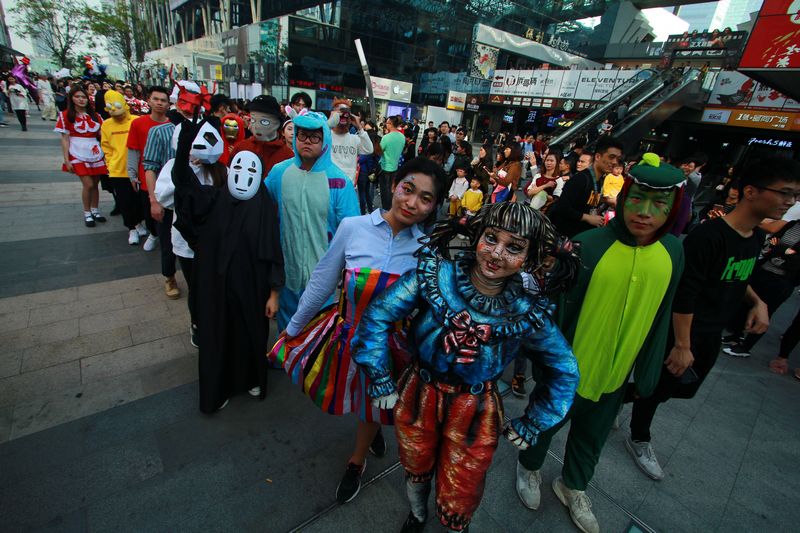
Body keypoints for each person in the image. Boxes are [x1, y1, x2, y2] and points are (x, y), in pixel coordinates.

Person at [352, 202, 580, 533]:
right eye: (491, 238)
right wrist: (379, 373)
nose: (497, 253)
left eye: (514, 247)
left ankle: (456, 526)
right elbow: (379, 314)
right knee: (414, 460)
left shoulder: (526, 313)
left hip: (476, 408)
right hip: (419, 392)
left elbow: (564, 368)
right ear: (476, 236)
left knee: (464, 480)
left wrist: (535, 420)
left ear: (529, 258)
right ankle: (417, 514)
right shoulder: (435, 276)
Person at [515, 154, 687, 533]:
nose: (645, 213)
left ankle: (573, 485)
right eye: (637, 199)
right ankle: (528, 467)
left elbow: (662, 314)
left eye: (659, 204)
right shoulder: (586, 245)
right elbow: (555, 310)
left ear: (673, 208)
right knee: (544, 424)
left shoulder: (673, 252)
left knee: (592, 437)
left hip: (616, 372)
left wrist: (647, 370)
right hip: (569, 369)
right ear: (624, 197)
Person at [271, 157, 445, 504]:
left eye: (425, 198)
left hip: (390, 349)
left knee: (372, 406)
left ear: (434, 207)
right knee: (351, 395)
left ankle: (357, 460)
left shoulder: (426, 252)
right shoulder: (353, 227)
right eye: (408, 189)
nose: (412, 203)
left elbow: (431, 308)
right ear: (394, 185)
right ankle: (372, 429)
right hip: (343, 336)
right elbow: (322, 282)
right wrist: (292, 329)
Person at [625, 155, 800, 481]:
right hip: (684, 330)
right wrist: (681, 344)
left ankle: (620, 398)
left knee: (680, 389)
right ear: (751, 191)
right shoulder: (708, 237)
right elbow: (685, 292)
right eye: (785, 193)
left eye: (795, 195)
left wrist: (757, 302)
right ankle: (638, 436)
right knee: (659, 388)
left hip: (711, 333)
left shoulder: (755, 237)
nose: (790, 202)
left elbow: (737, 275)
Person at [172, 118, 284, 412]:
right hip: (215, 288)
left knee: (249, 334)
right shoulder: (213, 200)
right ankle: (218, 387)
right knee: (217, 335)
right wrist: (184, 146)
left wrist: (274, 293)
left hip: (251, 290)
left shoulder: (264, 205)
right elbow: (185, 186)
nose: (244, 175)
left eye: (252, 170)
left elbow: (273, 249)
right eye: (239, 168)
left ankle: (250, 378)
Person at [265, 111, 360, 331]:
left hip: (322, 280)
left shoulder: (339, 182)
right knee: (287, 331)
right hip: (287, 272)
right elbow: (260, 207)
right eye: (302, 135)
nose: (307, 141)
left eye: (314, 136)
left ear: (325, 139)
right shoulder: (280, 173)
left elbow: (353, 234)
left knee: (317, 334)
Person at [155, 118, 227, 348]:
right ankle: (197, 324)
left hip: (216, 242)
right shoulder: (173, 166)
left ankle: (216, 322)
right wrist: (186, 173)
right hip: (186, 244)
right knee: (196, 288)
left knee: (215, 287)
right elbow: (164, 198)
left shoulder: (220, 170)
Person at [143, 81, 213, 299]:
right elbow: (151, 168)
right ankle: (170, 277)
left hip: (201, 210)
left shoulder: (204, 129)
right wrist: (154, 200)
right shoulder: (161, 133)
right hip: (172, 201)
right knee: (170, 244)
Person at [723, 217, 800, 358]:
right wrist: (784, 251)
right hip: (763, 270)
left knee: (766, 311)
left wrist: (779, 248)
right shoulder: (792, 225)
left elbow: (795, 260)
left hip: (783, 281)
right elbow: (770, 243)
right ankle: (736, 336)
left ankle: (746, 346)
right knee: (746, 304)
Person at [549, 136, 624, 237]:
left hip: (581, 235)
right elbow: (562, 207)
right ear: (598, 157)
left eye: (618, 159)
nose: (615, 162)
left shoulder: (600, 180)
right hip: (566, 237)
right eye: (611, 157)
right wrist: (587, 218)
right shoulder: (581, 179)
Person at [55, 84, 108, 227]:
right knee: (88, 184)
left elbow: (103, 135)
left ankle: (95, 210)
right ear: (71, 98)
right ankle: (87, 212)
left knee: (95, 184)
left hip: (94, 150)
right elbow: (65, 139)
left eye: (83, 97)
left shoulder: (95, 116)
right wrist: (67, 160)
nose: (81, 99)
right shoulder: (65, 115)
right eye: (77, 97)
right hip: (76, 151)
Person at [127, 86, 171, 250]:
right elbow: (133, 150)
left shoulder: (173, 124)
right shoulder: (138, 123)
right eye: (156, 99)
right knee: (150, 212)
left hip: (168, 180)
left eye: (163, 100)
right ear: (149, 101)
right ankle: (153, 234)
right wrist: (132, 174)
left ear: (168, 104)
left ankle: (164, 237)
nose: (159, 103)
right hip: (147, 177)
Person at [100, 90, 139, 244]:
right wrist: (110, 164)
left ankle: (140, 223)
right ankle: (132, 228)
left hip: (137, 170)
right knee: (124, 202)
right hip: (118, 171)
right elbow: (106, 147)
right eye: (110, 106)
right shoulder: (106, 125)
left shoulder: (136, 121)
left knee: (139, 201)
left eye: (116, 105)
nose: (114, 110)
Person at [230, 95, 293, 178]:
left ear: (277, 123)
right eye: (253, 120)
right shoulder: (241, 148)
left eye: (264, 121)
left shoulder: (288, 156)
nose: (257, 126)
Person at [328, 98, 373, 185]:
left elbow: (369, 150)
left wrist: (359, 127)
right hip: (329, 186)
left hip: (348, 187)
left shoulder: (354, 139)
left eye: (346, 113)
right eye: (340, 112)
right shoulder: (327, 136)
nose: (343, 115)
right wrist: (330, 122)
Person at [378, 116, 406, 210]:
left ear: (390, 124)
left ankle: (385, 210)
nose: (386, 124)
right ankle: (391, 209)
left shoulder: (386, 137)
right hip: (395, 166)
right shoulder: (402, 136)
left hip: (385, 167)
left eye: (387, 123)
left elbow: (379, 151)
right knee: (392, 189)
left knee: (384, 191)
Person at [357, 127, 382, 215]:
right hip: (371, 173)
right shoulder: (377, 148)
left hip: (363, 173)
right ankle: (370, 209)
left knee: (362, 194)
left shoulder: (368, 150)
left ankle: (362, 212)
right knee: (367, 192)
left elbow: (359, 160)